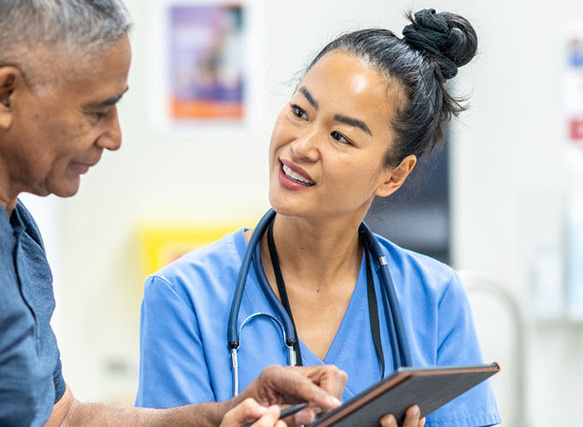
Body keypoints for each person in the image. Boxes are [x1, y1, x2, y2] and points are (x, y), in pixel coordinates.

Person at [0, 1, 350, 426]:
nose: (114, 137)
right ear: (4, 94)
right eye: (97, 110)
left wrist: (223, 415)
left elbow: (62, 418)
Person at [136, 8, 501, 427]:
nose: (302, 145)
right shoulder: (184, 297)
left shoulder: (434, 298)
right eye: (299, 112)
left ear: (394, 174)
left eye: (340, 136)